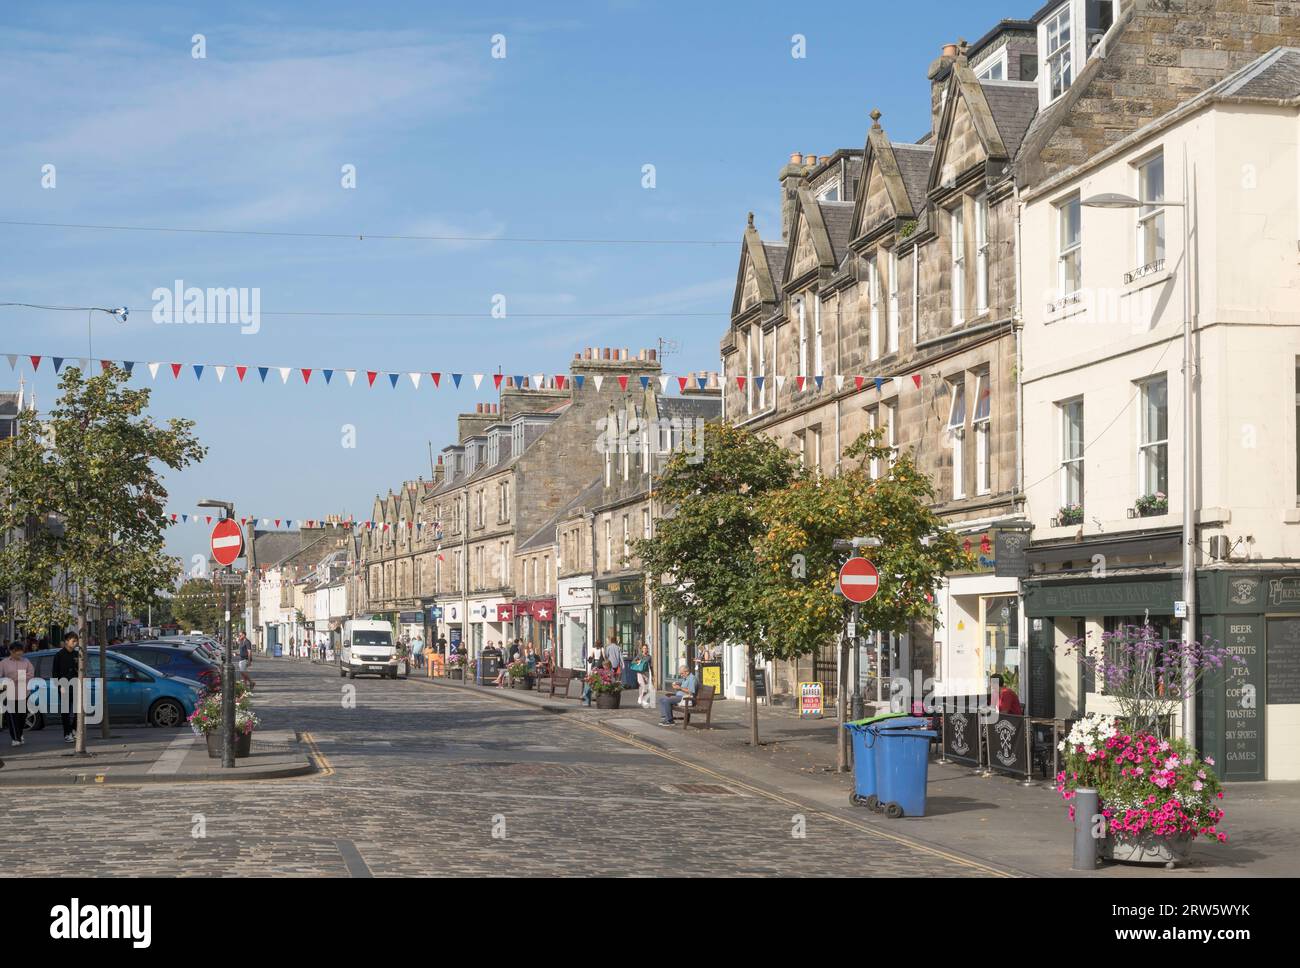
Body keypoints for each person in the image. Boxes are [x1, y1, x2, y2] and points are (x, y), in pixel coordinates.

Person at [0, 642, 35, 746]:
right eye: (17, 653)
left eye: (21, 653)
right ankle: (15, 738)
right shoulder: (4, 663)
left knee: (22, 717)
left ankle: (19, 734)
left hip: (24, 693)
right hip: (9, 694)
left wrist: (17, 678)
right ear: (11, 651)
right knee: (12, 717)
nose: (20, 655)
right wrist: (7, 680)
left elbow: (31, 674)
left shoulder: (26, 661)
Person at [53, 632, 80, 743]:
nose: (75, 643)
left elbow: (80, 670)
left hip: (75, 684)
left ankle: (74, 729)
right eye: (73, 641)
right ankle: (67, 733)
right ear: (66, 641)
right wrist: (59, 686)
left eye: (76, 641)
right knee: (66, 712)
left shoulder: (77, 654)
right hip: (64, 685)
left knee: (79, 710)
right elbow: (55, 673)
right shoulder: (59, 655)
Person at [582, 640, 606, 706]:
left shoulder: (593, 649)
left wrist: (589, 659)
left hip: (594, 664)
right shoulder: (602, 649)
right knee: (599, 679)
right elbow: (604, 657)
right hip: (600, 664)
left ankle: (587, 700)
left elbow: (591, 657)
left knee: (591, 679)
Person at [632, 643, 654, 708]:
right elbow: (633, 661)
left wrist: (652, 675)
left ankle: (641, 697)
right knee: (643, 685)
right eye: (644, 648)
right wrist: (638, 661)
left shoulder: (649, 657)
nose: (645, 649)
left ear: (647, 649)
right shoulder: (639, 655)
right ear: (642, 649)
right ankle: (642, 698)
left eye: (646, 648)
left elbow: (651, 666)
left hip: (646, 673)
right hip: (640, 672)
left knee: (646, 687)